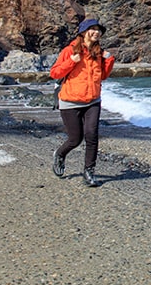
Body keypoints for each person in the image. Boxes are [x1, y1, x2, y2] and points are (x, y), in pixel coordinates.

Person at [49, 18, 115, 186]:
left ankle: (89, 172)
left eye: (99, 30)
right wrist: (72, 61)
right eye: (92, 29)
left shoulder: (99, 52)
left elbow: (103, 76)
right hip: (70, 101)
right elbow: (54, 73)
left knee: (92, 135)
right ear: (83, 32)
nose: (97, 32)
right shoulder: (69, 50)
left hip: (93, 100)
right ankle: (60, 154)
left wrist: (109, 60)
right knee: (75, 139)